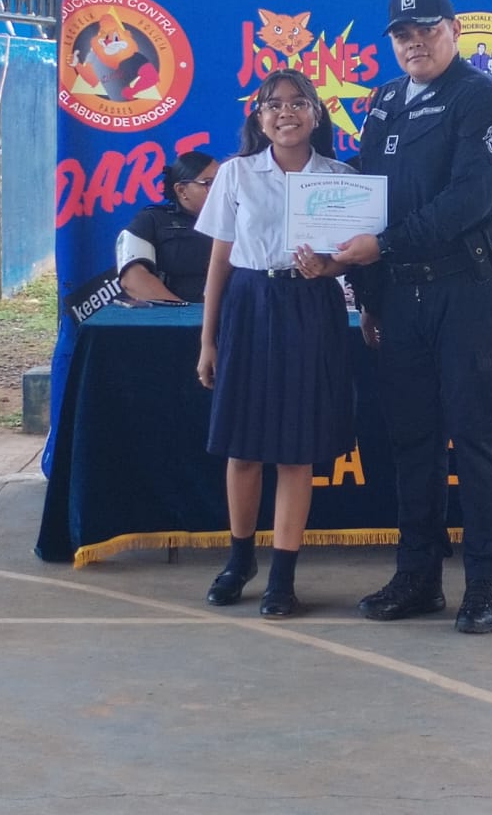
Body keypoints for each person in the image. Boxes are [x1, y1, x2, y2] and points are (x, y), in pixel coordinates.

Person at [331, 0, 492, 635]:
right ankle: (417, 577)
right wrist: (369, 293)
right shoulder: (384, 101)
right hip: (400, 295)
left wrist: (381, 246)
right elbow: (369, 194)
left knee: (475, 437)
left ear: (454, 31)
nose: (415, 43)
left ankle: (486, 581)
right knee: (411, 440)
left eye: (428, 30)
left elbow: (469, 199)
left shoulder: (482, 98)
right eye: (402, 35)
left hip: (469, 293)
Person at [194, 70, 356, 619]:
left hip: (311, 308)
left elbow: (356, 256)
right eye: (273, 105)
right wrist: (208, 340)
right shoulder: (236, 174)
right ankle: (239, 561)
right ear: (259, 118)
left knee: (295, 451)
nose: (286, 113)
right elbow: (219, 261)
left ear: (316, 113)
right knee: (243, 449)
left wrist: (328, 266)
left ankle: (282, 578)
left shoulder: (340, 177)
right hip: (248, 304)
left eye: (298, 103)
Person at [114, 151, 218, 304]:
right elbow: (133, 279)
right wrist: (185, 313)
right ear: (181, 190)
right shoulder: (151, 220)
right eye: (208, 183)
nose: (219, 189)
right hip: (173, 314)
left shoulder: (239, 221)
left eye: (222, 182)